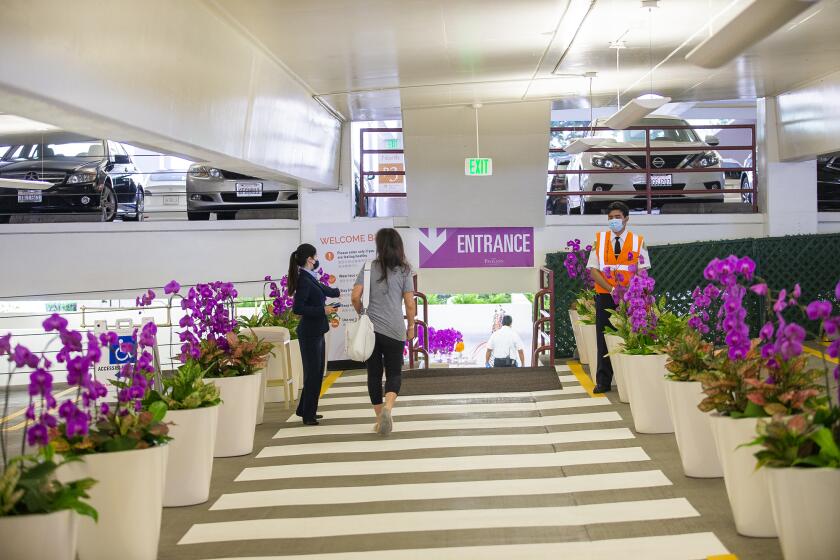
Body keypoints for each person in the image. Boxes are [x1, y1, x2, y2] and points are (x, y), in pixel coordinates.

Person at [351, 228, 416, 435]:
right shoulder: (405, 270)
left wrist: (362, 312)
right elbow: (409, 303)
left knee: (374, 374)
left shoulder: (369, 267)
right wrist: (412, 326)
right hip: (395, 330)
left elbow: (354, 297)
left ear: (379, 246)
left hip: (371, 331)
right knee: (394, 372)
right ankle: (388, 407)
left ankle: (379, 419)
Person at [586, 201, 651, 393]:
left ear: (626, 219)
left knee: (630, 336)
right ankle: (603, 382)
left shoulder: (638, 241)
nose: (614, 221)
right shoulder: (600, 240)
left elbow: (642, 271)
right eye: (611, 218)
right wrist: (613, 289)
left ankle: (631, 380)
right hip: (606, 295)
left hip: (631, 298)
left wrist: (628, 292)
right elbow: (593, 271)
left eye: (618, 217)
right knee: (603, 338)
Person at [289, 243, 340, 426]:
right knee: (312, 374)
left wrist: (338, 292)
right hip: (309, 333)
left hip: (317, 330)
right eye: (315, 256)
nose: (317, 259)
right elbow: (298, 308)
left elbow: (323, 290)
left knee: (317, 372)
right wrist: (322, 310)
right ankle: (308, 415)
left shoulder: (310, 276)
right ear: (310, 259)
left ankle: (305, 409)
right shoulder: (304, 279)